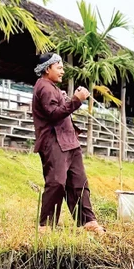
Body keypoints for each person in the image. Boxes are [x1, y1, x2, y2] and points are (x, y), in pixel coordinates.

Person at [31, 52, 105, 234]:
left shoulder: (52, 87)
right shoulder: (44, 87)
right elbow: (54, 114)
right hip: (53, 141)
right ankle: (45, 226)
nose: (63, 71)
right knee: (56, 183)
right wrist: (76, 100)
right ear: (47, 69)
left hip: (70, 142)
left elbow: (60, 109)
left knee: (79, 183)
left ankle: (88, 222)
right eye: (59, 67)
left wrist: (69, 99)